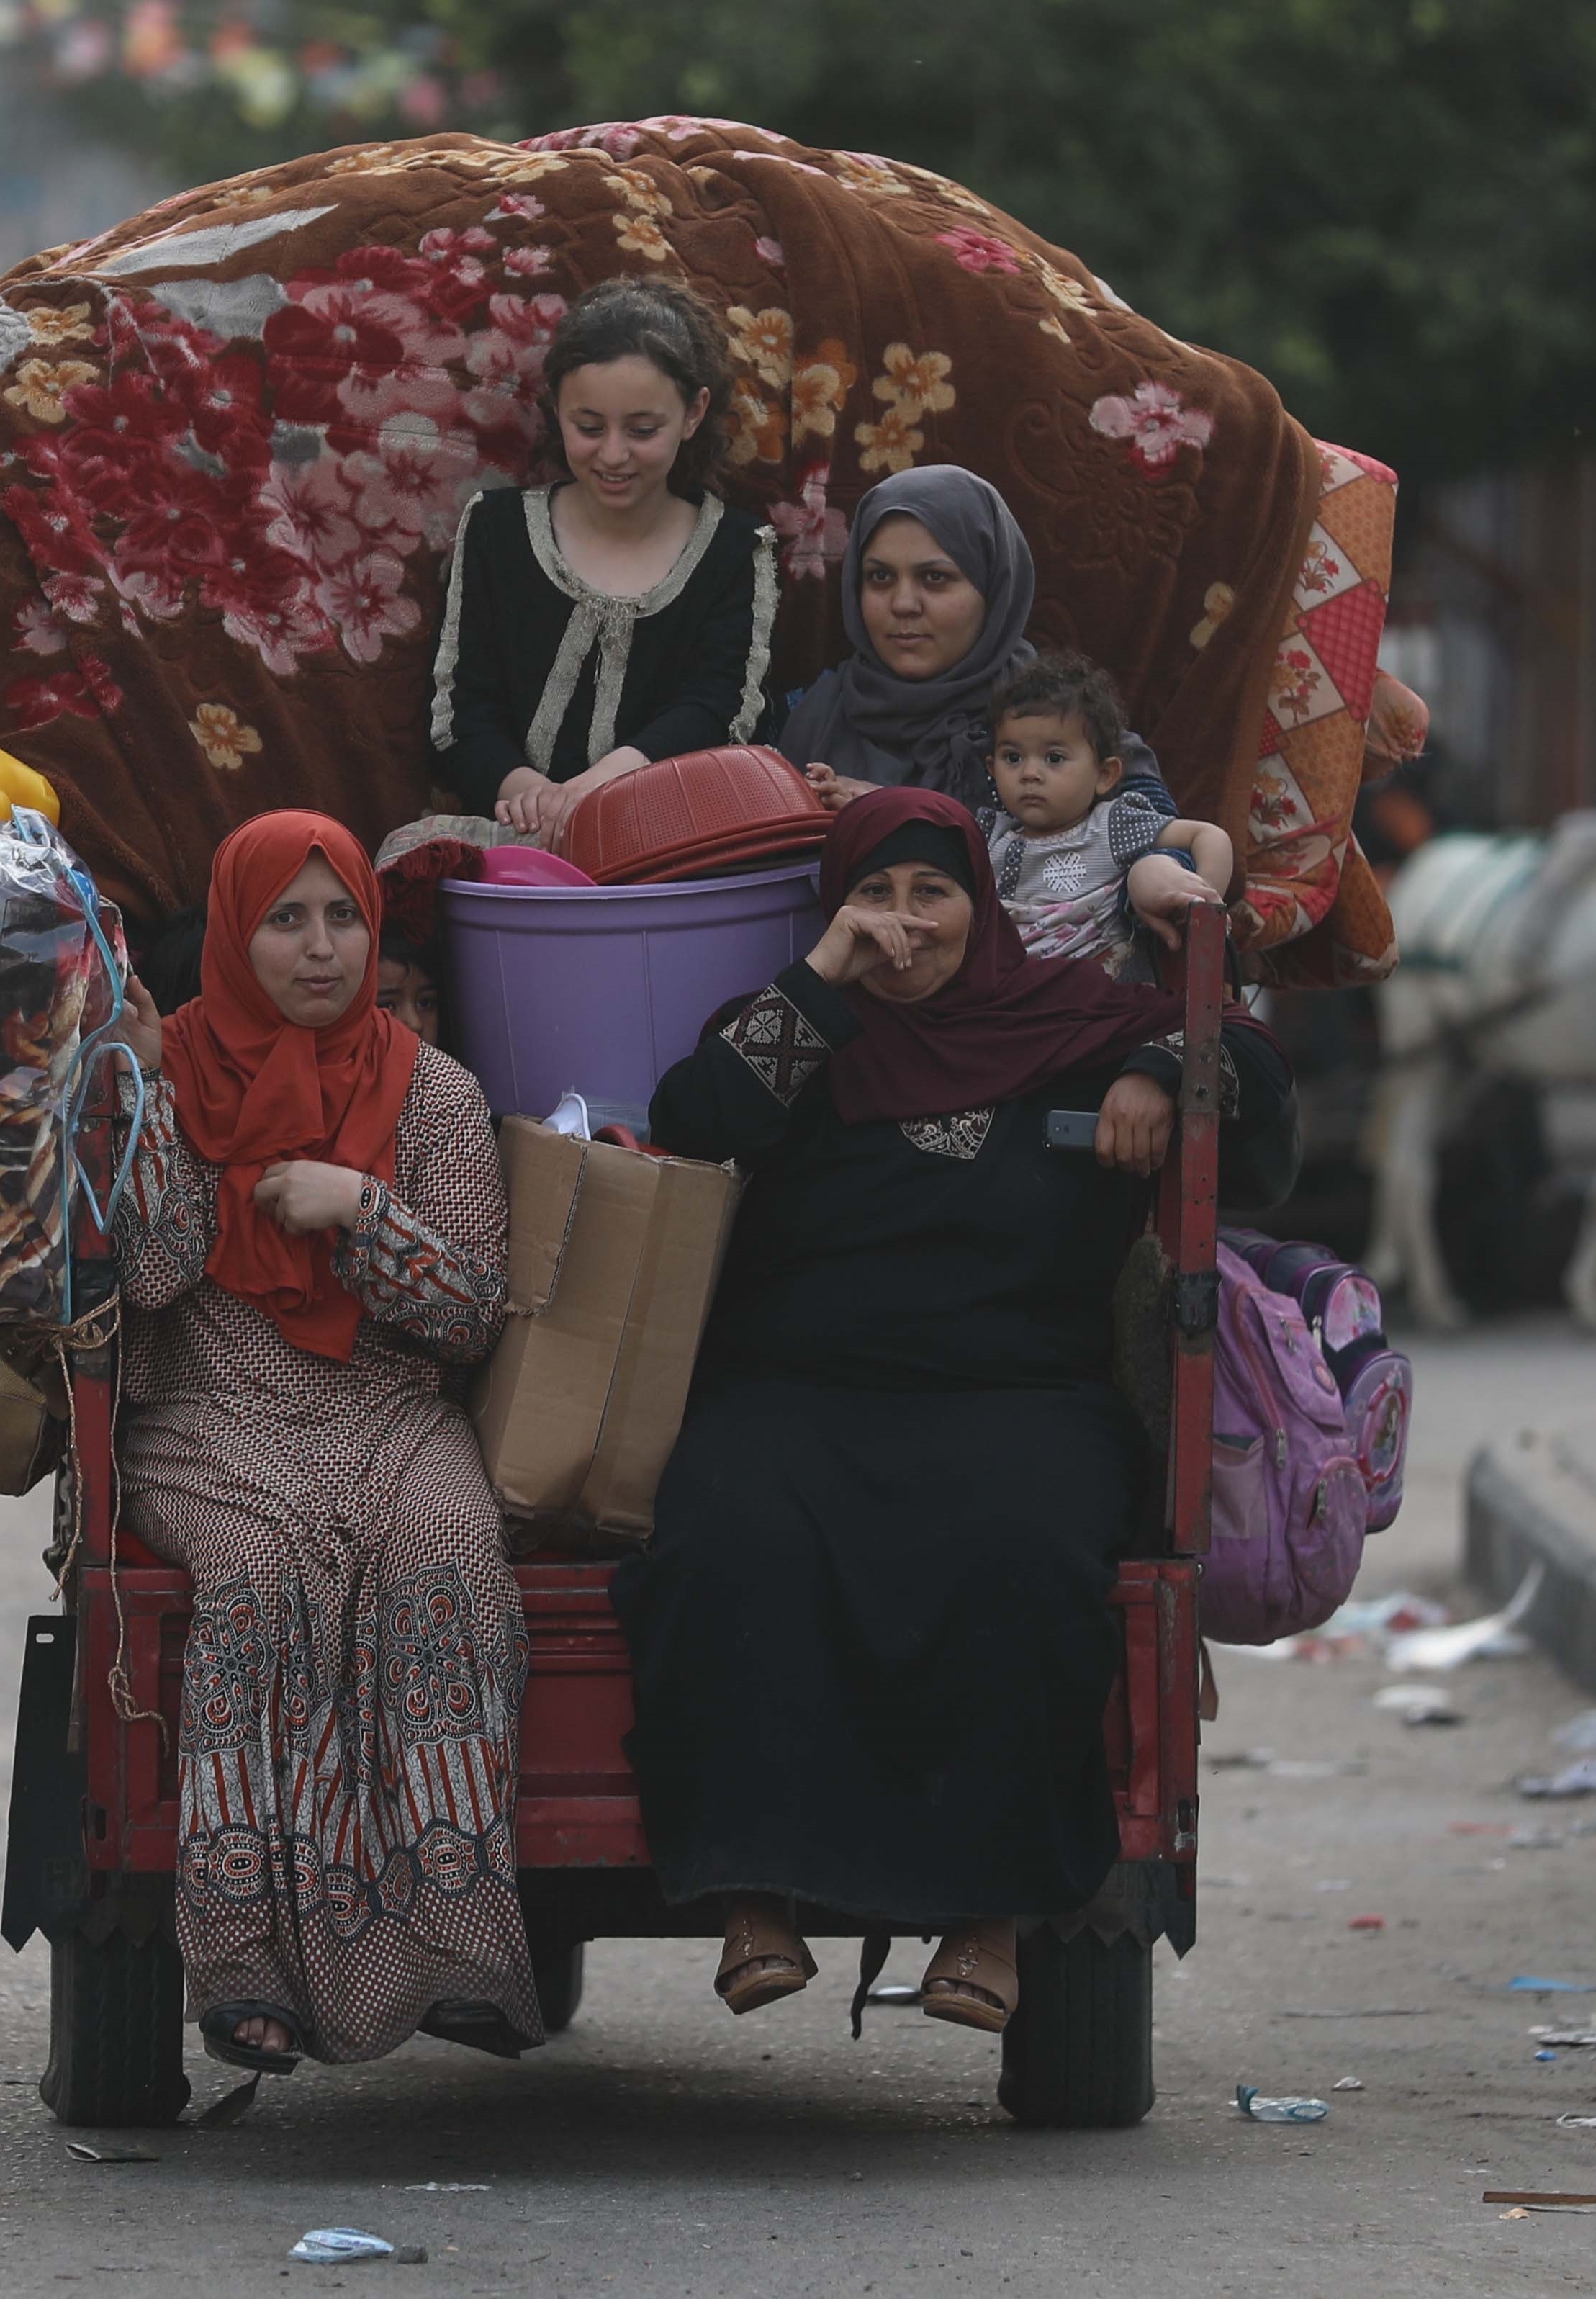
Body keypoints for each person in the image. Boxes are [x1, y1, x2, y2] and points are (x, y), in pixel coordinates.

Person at [613, 790, 1295, 2035]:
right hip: (798, 1395)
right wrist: (824, 970)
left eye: (931, 893)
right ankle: (751, 1890)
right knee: (722, 1531)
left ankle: (990, 1919)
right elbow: (691, 1118)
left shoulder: (1064, 1017)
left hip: (1017, 1399)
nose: (901, 923)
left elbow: (1244, 1064)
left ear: (979, 906)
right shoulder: (797, 1026)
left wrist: (1156, 1067)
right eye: (872, 893)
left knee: (1024, 1551)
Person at [108, 811, 542, 2071]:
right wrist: (143, 1099)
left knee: (452, 1539)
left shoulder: (436, 1089)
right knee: (253, 1578)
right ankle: (240, 1968)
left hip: (391, 1413)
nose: (318, 948)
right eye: (283, 920)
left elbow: (466, 1317)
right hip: (211, 1421)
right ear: (236, 936)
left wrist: (361, 1209)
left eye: (341, 916)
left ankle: (460, 1947)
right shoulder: (172, 1064)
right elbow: (148, 1274)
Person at [428, 278, 781, 846]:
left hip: (671, 844)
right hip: (516, 835)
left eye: (642, 430)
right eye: (588, 427)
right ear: (557, 410)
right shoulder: (498, 530)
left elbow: (720, 709)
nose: (613, 455)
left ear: (693, 413)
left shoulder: (735, 551)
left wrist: (599, 789)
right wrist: (532, 798)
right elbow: (462, 710)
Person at [773, 466, 1178, 831]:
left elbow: (1164, 847)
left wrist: (896, 813)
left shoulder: (1056, 713)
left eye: (934, 577)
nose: (902, 604)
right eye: (879, 577)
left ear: (993, 588)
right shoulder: (820, 718)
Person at [982, 652, 1240, 976]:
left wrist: (1203, 903)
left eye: (1054, 758)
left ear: (1105, 775)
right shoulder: (985, 835)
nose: (1030, 773)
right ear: (991, 768)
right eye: (1013, 757)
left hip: (1102, 1003)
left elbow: (1209, 835)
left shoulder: (1113, 826)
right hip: (1007, 1000)